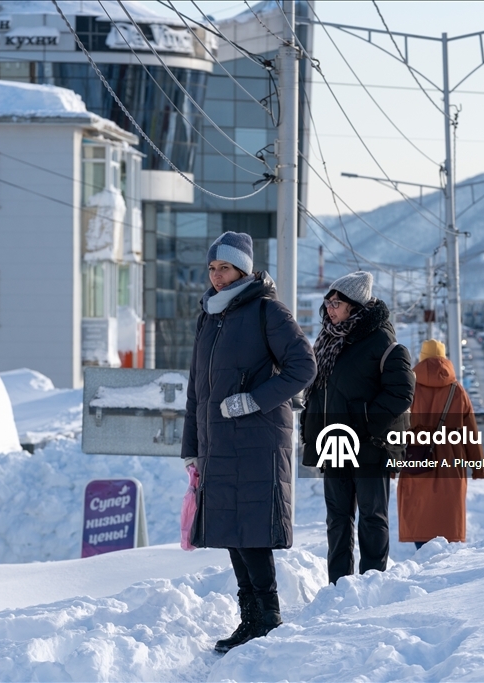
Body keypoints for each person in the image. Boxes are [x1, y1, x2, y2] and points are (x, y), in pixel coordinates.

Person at [181, 231, 316, 654]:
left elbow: (304, 366)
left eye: (224, 267)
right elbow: (196, 390)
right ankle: (251, 619)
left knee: (251, 531)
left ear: (243, 270)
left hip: (257, 440)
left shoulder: (267, 311)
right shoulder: (209, 317)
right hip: (218, 443)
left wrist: (253, 400)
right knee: (232, 532)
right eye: (212, 268)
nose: (216, 276)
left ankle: (268, 618)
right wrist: (191, 447)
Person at [300, 271, 415, 585]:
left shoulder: (381, 341)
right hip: (334, 444)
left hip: (370, 446)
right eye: (328, 302)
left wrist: (364, 422)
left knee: (371, 517)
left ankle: (372, 583)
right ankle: (339, 586)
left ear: (355, 305)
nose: (329, 309)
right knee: (337, 520)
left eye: (336, 303)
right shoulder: (328, 340)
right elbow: (319, 393)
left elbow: (401, 392)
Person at [397, 339, 484, 550]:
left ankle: (423, 556)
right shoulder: (458, 391)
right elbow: (470, 433)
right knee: (448, 520)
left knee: (420, 518)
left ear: (421, 359)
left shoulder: (408, 389)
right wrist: (478, 467)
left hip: (416, 461)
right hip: (451, 463)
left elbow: (397, 427)